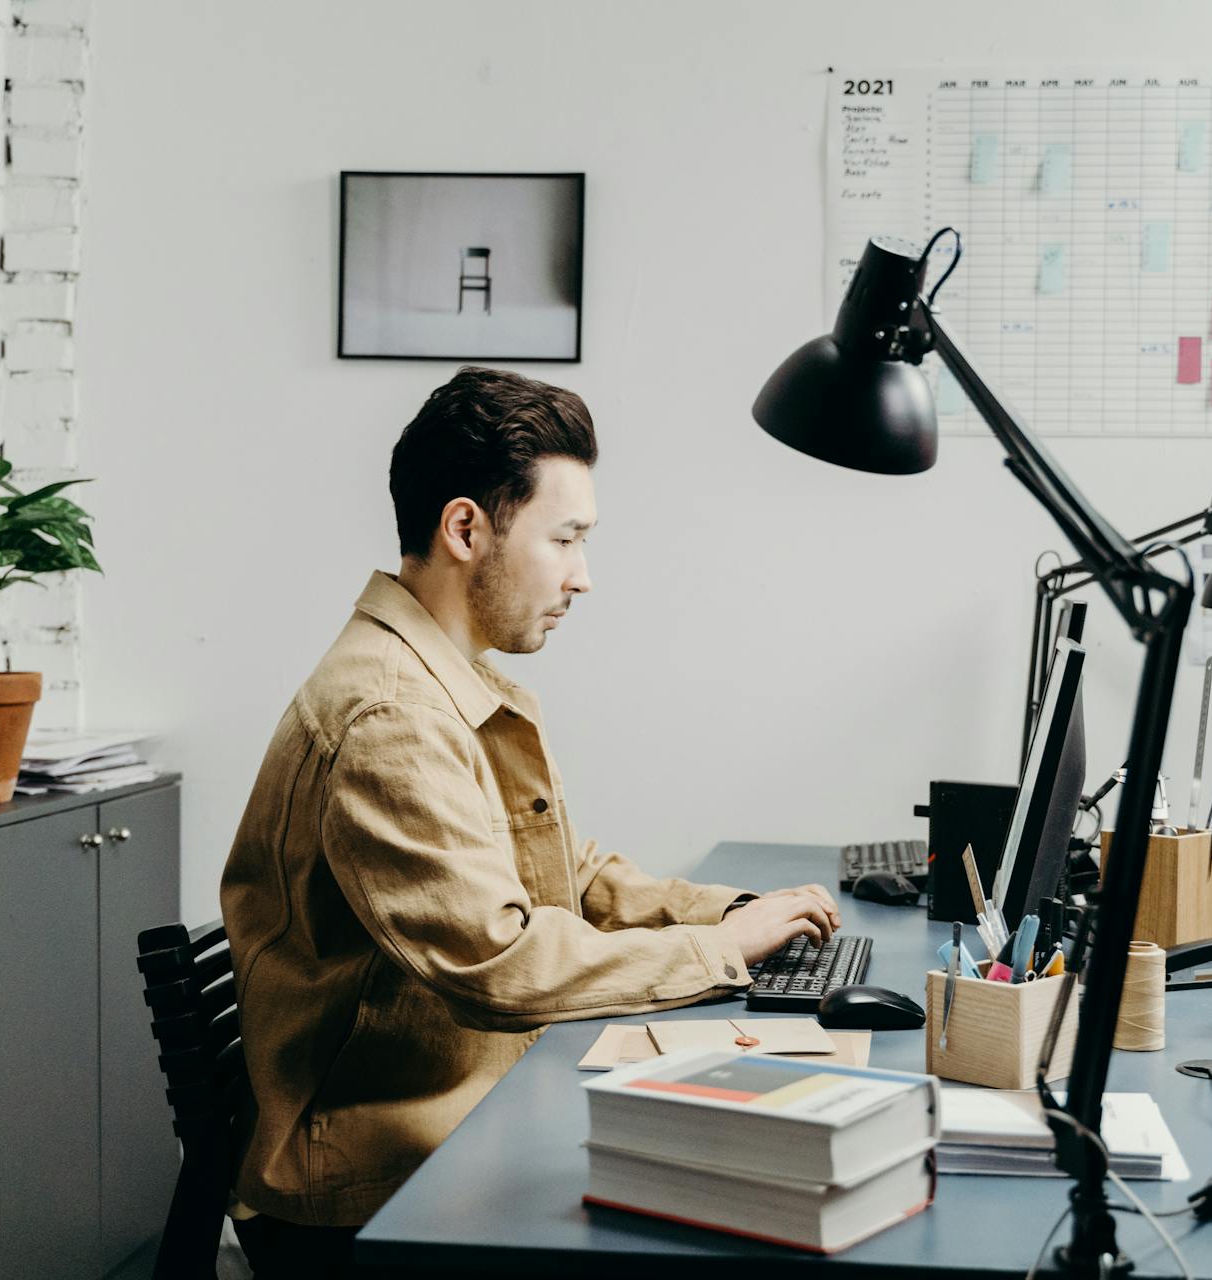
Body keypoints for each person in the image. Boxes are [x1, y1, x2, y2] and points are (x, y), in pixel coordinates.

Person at [219, 367, 840, 1276]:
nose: (583, 577)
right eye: (567, 538)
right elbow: (498, 961)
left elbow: (570, 873)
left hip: (460, 1119)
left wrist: (729, 913)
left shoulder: (447, 681)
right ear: (466, 528)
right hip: (368, 1182)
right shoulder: (390, 716)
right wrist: (724, 953)